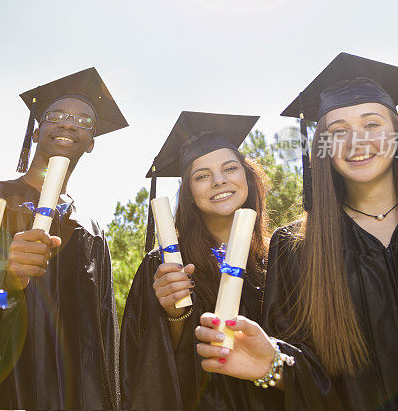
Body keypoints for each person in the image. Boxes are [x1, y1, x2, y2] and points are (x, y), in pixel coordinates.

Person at [195, 52, 398, 410]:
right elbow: (309, 375)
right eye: (338, 131)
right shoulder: (297, 251)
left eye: (372, 124)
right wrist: (273, 366)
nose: (356, 141)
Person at [0, 67, 127, 409]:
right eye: (57, 115)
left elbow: (103, 334)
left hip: (76, 396)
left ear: (92, 142)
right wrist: (5, 275)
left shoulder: (91, 232)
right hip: (1, 385)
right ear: (36, 132)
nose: (69, 123)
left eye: (83, 121)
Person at [120, 111, 288, 409]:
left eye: (230, 168)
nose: (219, 181)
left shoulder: (280, 257)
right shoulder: (162, 265)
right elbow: (149, 369)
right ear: (189, 192)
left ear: (246, 176)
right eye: (202, 176)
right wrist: (174, 314)